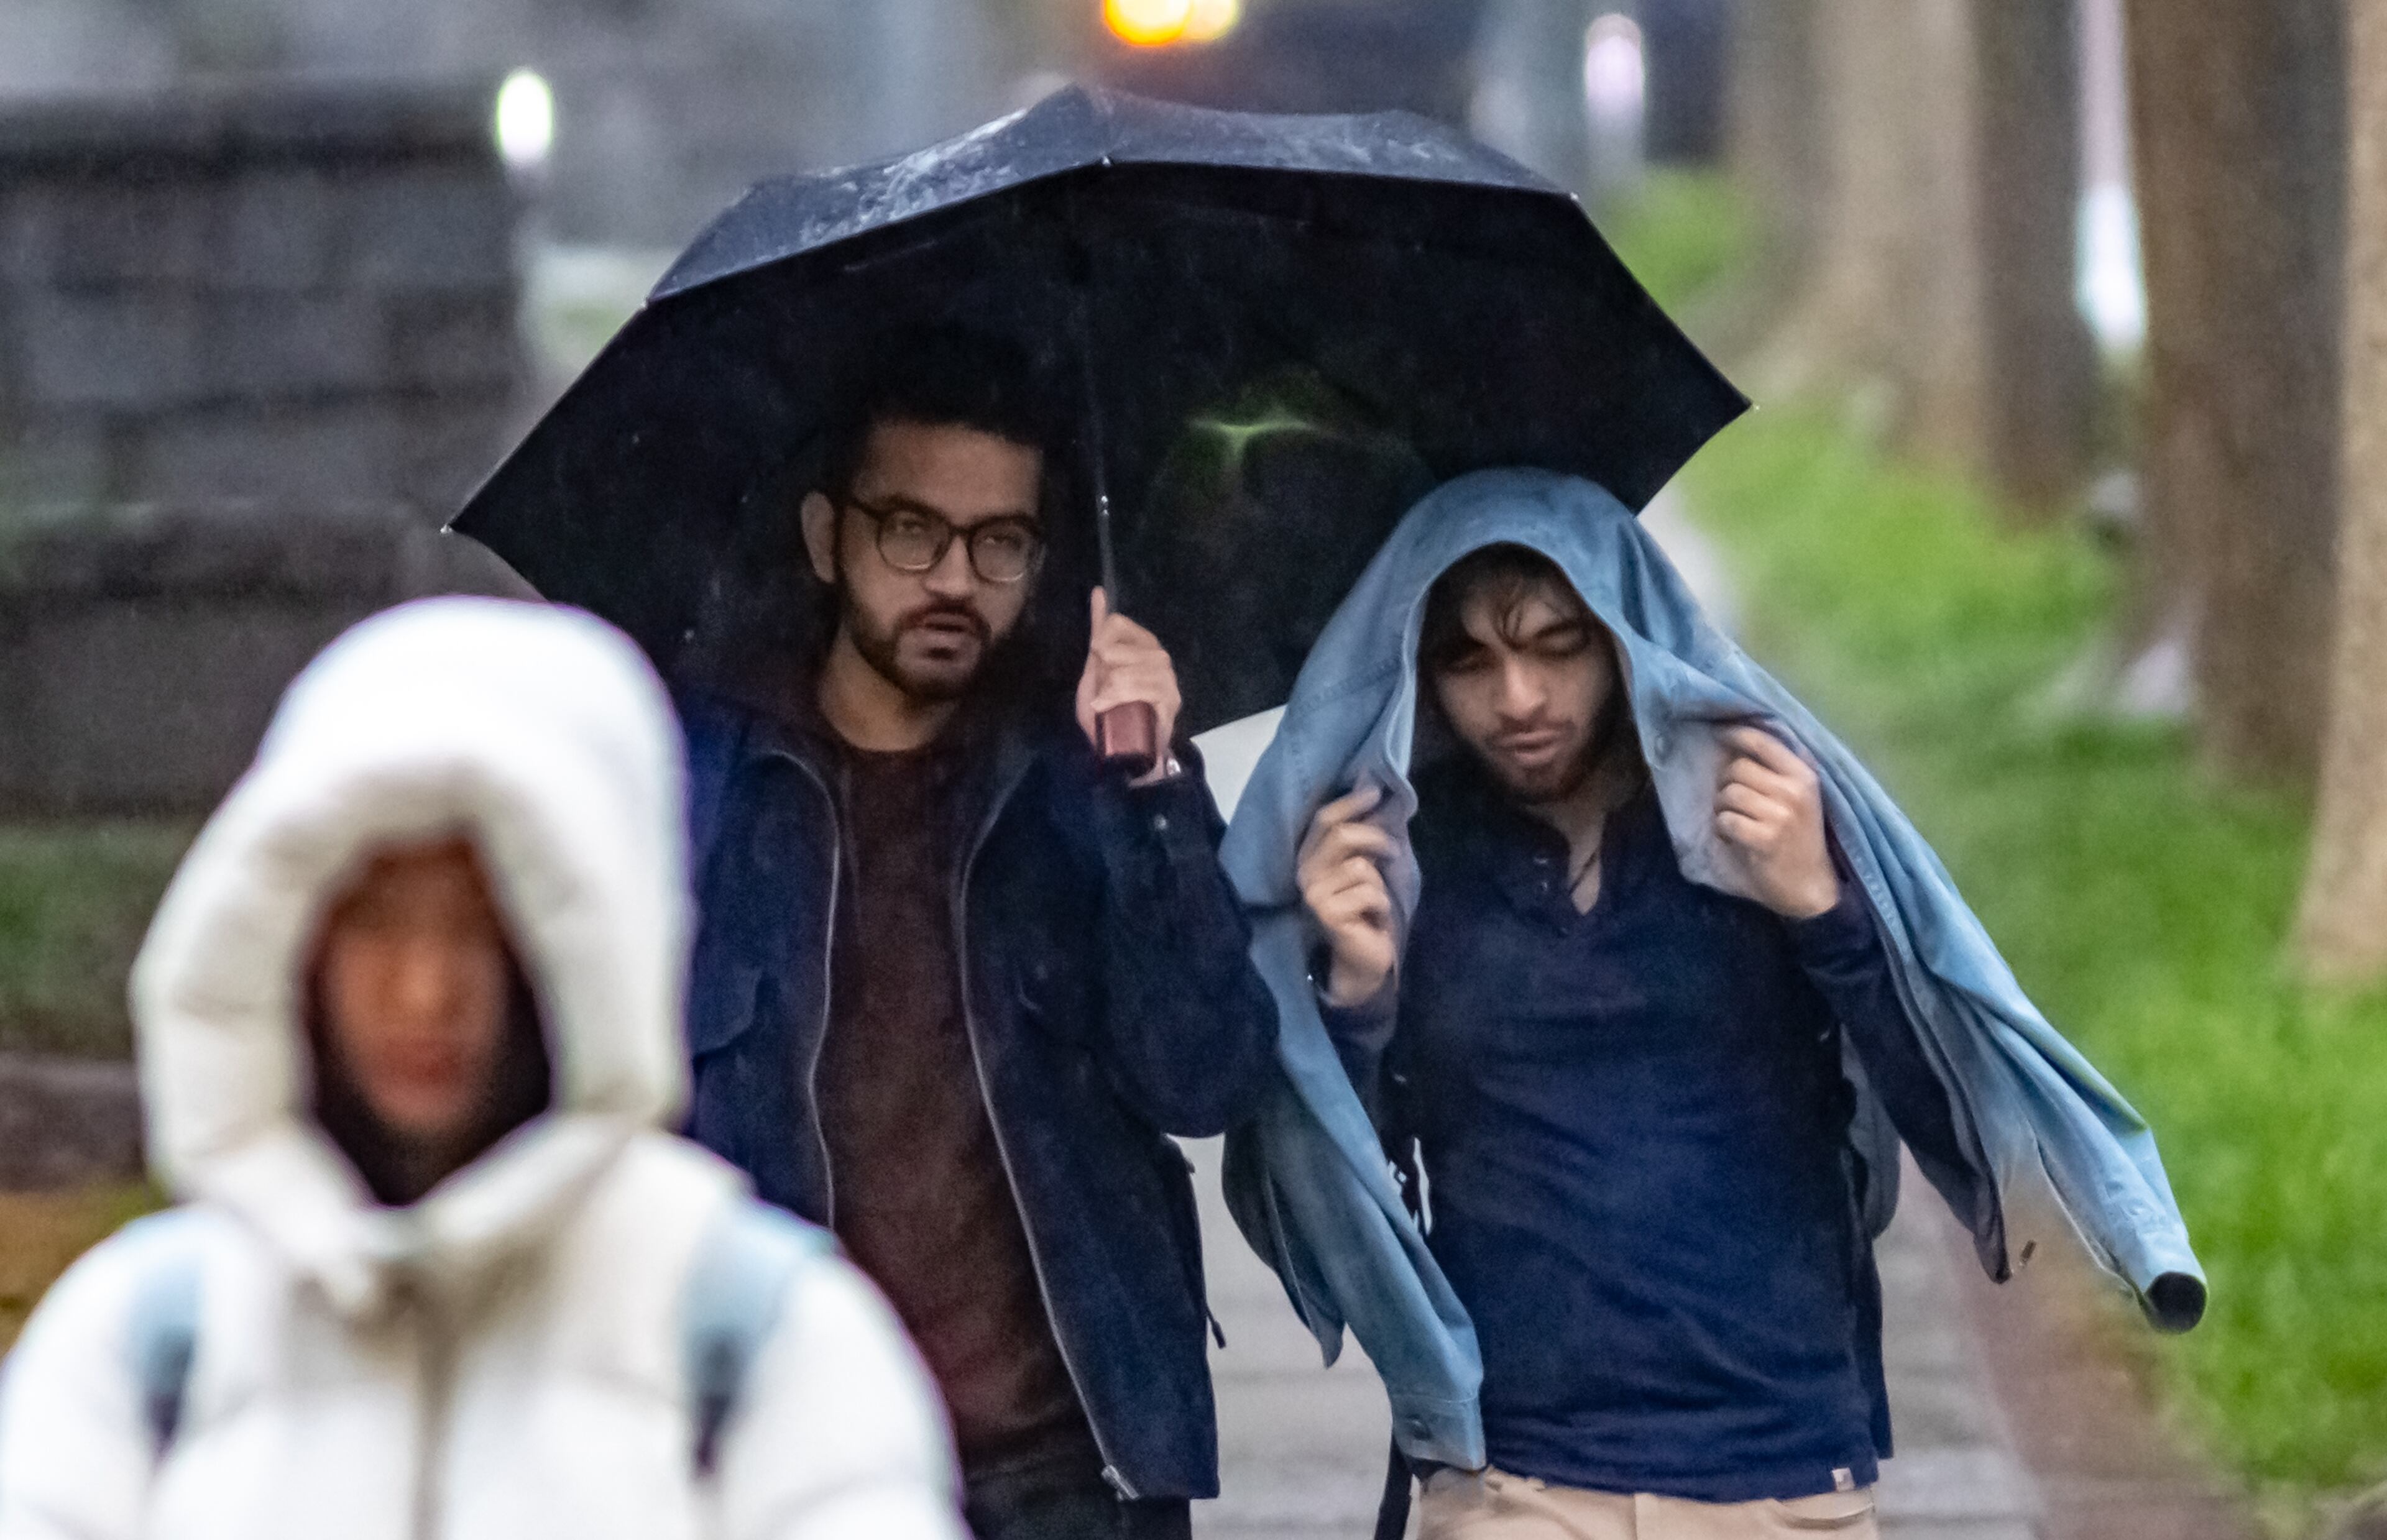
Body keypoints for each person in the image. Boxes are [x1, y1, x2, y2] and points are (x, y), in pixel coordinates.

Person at [1215, 470, 2200, 1540]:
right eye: (1471, 660)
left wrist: (1824, 910)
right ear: (1417, 673)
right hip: (1516, 1473)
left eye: (1558, 645)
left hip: (1780, 1465)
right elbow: (1340, 1196)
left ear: (1624, 637)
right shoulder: (1404, 855)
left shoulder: (1757, 814)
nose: (1519, 699)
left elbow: (1945, 1114)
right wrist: (1354, 997)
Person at [0, 599, 962, 1540]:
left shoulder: (760, 1343)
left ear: (587, 950)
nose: (425, 991)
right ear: (293, 930)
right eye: (377, 919)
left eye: (482, 925)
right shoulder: (147, 1348)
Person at [676, 326, 1282, 1540]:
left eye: (1000, 543)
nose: (954, 578)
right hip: (796, 1472)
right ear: (826, 536)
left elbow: (1206, 1076)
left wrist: (1155, 789)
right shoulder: (705, 792)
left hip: (1068, 1469)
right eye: (912, 530)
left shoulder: (1089, 778)